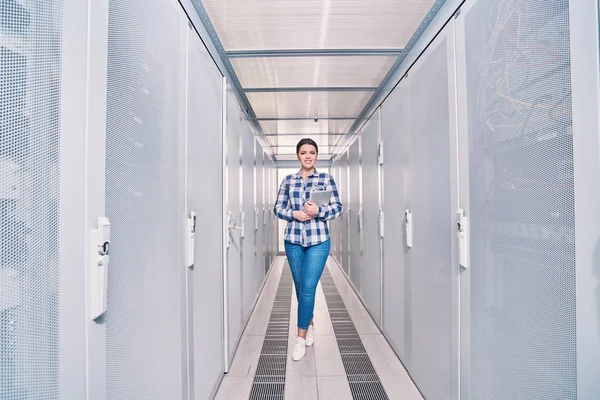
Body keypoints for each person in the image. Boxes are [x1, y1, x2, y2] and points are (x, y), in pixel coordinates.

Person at [273, 138, 343, 361]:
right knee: (301, 287)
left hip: (318, 241)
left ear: (317, 155)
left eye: (312, 152)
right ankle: (310, 323)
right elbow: (278, 207)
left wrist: (318, 211)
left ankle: (300, 337)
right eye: (303, 152)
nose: (308, 156)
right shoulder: (288, 181)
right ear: (298, 156)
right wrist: (294, 214)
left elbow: (337, 208)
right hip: (293, 241)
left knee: (307, 288)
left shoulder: (326, 178)